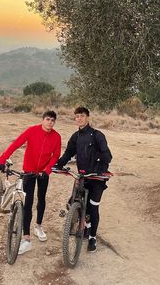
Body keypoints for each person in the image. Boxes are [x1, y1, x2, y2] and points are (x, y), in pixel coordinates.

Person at [0, 110, 61, 255]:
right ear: (43, 120)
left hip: (43, 173)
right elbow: (16, 144)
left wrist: (48, 170)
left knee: (42, 199)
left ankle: (38, 226)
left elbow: (56, 155)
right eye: (48, 119)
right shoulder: (32, 131)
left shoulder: (56, 137)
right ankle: (26, 238)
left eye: (53, 120)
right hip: (29, 171)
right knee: (28, 202)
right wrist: (2, 159)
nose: (50, 122)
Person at [55, 106, 112, 252]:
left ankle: (92, 237)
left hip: (97, 178)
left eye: (81, 116)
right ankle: (84, 225)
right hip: (82, 176)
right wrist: (58, 165)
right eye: (76, 116)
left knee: (93, 208)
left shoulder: (98, 135)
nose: (79, 119)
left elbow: (108, 156)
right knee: (75, 201)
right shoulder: (76, 136)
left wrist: (99, 167)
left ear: (87, 117)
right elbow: (68, 153)